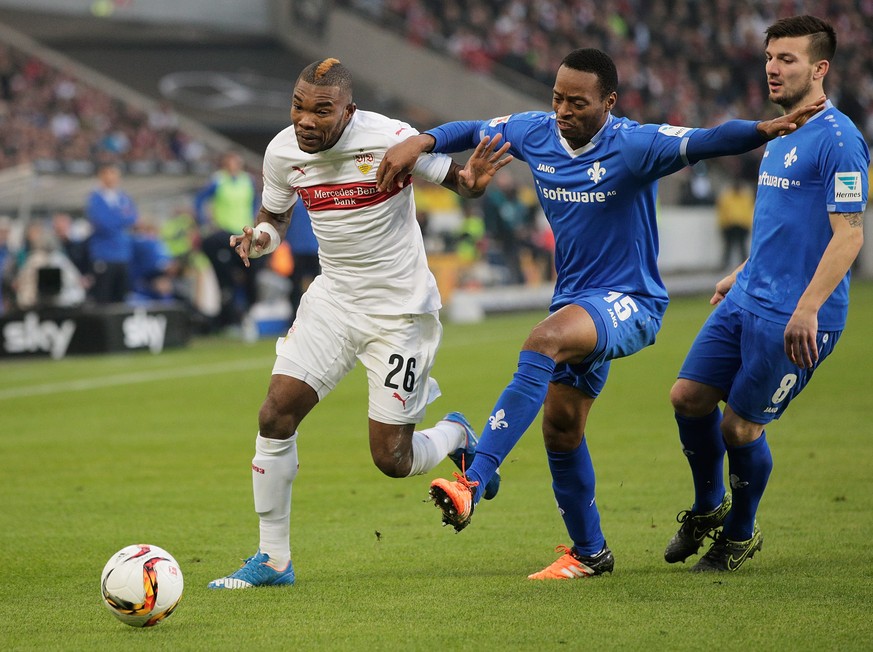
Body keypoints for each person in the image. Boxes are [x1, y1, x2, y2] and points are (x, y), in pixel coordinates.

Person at [376, 47, 824, 580]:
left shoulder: (634, 144)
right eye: (558, 98)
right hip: (577, 304)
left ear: (608, 102)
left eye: (578, 102)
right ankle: (590, 552)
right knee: (561, 429)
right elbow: (472, 128)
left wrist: (762, 129)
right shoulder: (534, 132)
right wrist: (420, 142)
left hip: (631, 302)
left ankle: (474, 477)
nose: (563, 110)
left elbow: (703, 141)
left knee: (542, 341)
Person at [207, 58, 511, 590]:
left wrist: (475, 184)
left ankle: (458, 434)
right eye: (298, 106)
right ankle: (273, 559)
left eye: (320, 111)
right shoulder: (282, 151)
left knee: (391, 459)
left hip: (400, 314)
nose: (304, 120)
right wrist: (260, 238)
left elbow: (460, 182)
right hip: (333, 301)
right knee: (275, 415)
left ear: (349, 111)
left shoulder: (392, 140)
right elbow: (275, 217)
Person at [665, 15, 867, 573]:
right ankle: (708, 507)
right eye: (771, 57)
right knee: (687, 397)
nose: (774, 69)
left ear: (819, 68)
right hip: (749, 295)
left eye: (788, 59)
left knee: (739, 427)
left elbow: (849, 233)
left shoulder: (840, 141)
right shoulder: (781, 131)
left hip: (798, 315)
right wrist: (743, 268)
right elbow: (787, 221)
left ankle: (740, 532)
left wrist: (806, 308)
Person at [195, 150, 259, 329]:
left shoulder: (248, 180)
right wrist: (204, 223)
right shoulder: (218, 180)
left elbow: (255, 201)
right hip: (225, 236)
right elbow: (199, 200)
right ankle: (231, 319)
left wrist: (255, 220)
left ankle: (247, 314)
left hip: (245, 236)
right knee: (227, 278)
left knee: (249, 275)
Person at [85, 162, 139, 304]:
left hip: (123, 255)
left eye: (115, 174)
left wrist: (115, 218)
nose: (113, 177)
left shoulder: (123, 197)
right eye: (110, 173)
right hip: (104, 255)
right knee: (103, 297)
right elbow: (102, 224)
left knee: (121, 296)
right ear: (102, 175)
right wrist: (121, 219)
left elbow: (133, 217)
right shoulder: (95, 198)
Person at [284, 200, 319, 321]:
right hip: (298, 249)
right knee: (296, 287)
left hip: (313, 249)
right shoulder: (295, 198)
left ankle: (315, 318)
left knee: (317, 287)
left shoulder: (298, 198)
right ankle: (296, 318)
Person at [715, 179, 755, 270]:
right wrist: (723, 224)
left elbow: (748, 210)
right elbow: (723, 211)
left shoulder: (744, 197)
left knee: (741, 246)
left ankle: (744, 266)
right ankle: (725, 264)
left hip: (741, 225)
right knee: (728, 246)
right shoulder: (728, 196)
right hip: (730, 225)